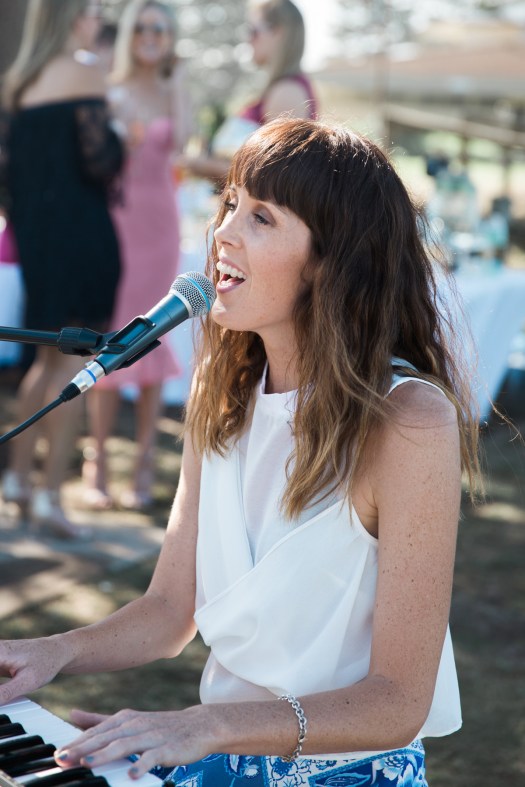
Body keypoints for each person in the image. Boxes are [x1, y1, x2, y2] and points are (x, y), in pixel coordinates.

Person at [0, 118, 480, 786]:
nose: (221, 231)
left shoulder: (407, 422)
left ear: (329, 260)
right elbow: (171, 609)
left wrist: (202, 725)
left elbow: (399, 700)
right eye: (228, 203)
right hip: (212, 752)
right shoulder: (221, 385)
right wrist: (50, 651)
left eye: (259, 216)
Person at [0, 0, 124, 538]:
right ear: (70, 14)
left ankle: (18, 481)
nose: (98, 15)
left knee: (42, 364)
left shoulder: (17, 84)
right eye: (93, 6)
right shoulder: (84, 69)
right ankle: (51, 494)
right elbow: (103, 160)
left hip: (39, 243)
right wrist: (125, 138)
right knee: (81, 367)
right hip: (83, 239)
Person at [82, 0, 191, 511]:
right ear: (131, 32)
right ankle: (96, 460)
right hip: (116, 224)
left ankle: (145, 460)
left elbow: (186, 142)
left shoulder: (173, 87)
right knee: (113, 337)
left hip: (161, 224)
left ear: (169, 37)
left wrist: (179, 82)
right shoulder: (109, 85)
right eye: (144, 27)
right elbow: (92, 157)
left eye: (161, 29)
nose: (151, 35)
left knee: (152, 334)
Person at [180, 0, 317, 183]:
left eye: (252, 31)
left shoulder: (287, 92)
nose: (247, 39)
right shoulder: (280, 88)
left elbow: (273, 176)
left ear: (278, 33)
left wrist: (204, 166)